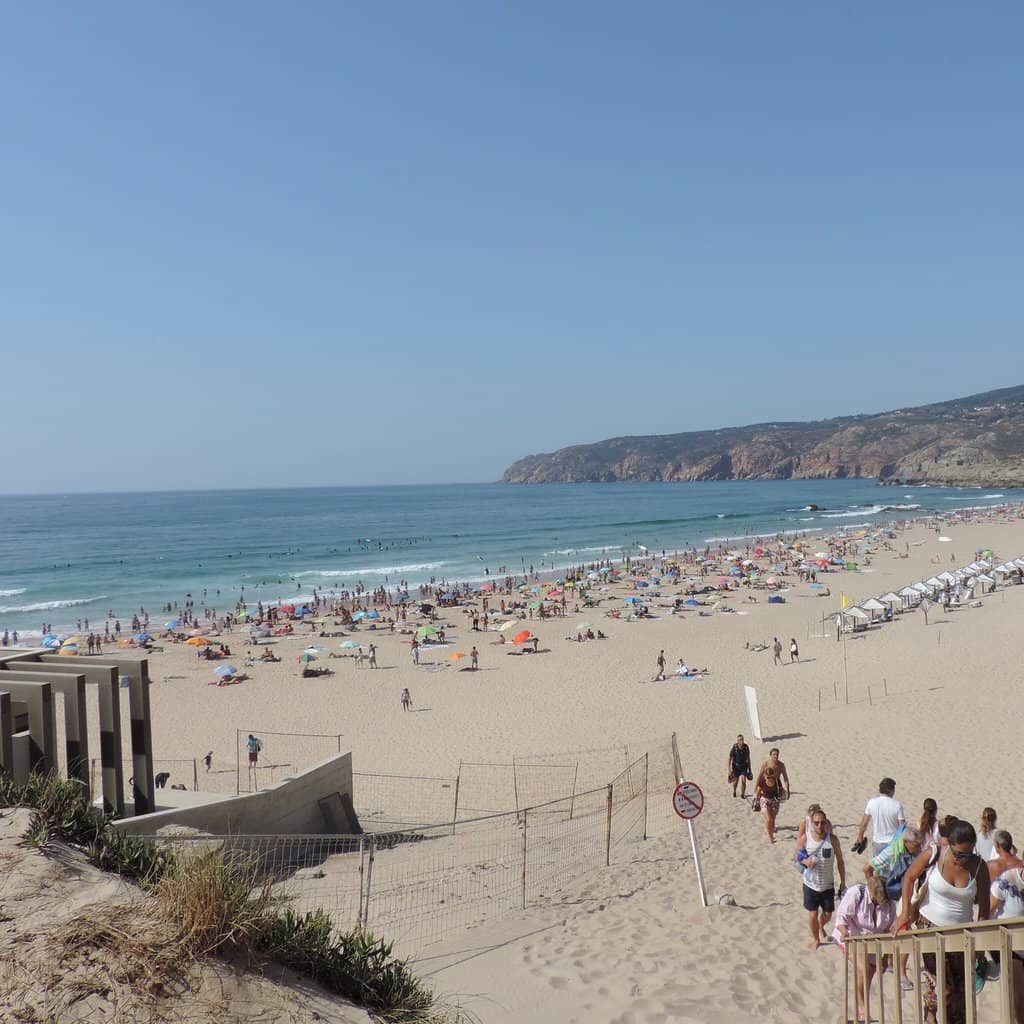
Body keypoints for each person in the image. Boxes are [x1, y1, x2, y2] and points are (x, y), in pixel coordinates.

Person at [893, 820, 991, 1024]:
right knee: (944, 988)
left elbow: (984, 907)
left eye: (967, 854)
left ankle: (934, 1015)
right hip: (930, 928)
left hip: (961, 934)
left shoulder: (979, 866)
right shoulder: (935, 854)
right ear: (949, 845)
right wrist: (903, 916)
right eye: (958, 854)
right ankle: (931, 1016)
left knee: (961, 993)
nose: (962, 859)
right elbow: (909, 877)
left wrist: (980, 941)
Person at [833, 875, 897, 1022]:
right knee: (863, 967)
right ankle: (862, 1008)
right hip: (853, 936)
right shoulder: (856, 893)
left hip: (872, 941)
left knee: (871, 971)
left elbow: (889, 930)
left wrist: (887, 957)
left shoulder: (890, 903)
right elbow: (842, 918)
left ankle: (861, 1007)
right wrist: (845, 933)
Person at [797, 807, 845, 948]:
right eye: (816, 823)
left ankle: (820, 925)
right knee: (812, 913)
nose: (820, 826)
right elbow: (798, 856)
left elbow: (840, 861)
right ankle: (816, 939)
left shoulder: (833, 840)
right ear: (811, 823)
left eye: (822, 822)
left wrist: (843, 882)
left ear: (826, 823)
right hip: (810, 884)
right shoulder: (806, 839)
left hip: (828, 885)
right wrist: (806, 862)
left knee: (828, 914)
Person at [855, 778, 906, 857]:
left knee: (878, 867)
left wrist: (860, 836)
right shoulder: (897, 805)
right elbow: (902, 827)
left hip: (877, 842)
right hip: (892, 843)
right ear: (891, 790)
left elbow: (864, 824)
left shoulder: (872, 802)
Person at [754, 763, 783, 842]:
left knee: (773, 818)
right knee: (769, 819)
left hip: (775, 800)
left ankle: (772, 829)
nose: (769, 778)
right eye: (768, 777)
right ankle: (771, 837)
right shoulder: (762, 781)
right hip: (765, 800)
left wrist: (781, 797)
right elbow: (759, 792)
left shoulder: (777, 780)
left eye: (771, 776)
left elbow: (781, 790)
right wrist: (756, 801)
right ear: (764, 775)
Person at [727, 734, 753, 798]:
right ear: (737, 741)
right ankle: (734, 791)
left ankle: (742, 794)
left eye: (742, 739)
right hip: (736, 767)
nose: (741, 741)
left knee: (744, 781)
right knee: (735, 782)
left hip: (744, 766)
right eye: (739, 740)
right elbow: (729, 759)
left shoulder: (746, 747)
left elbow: (748, 759)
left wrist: (750, 770)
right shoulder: (734, 748)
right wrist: (729, 770)